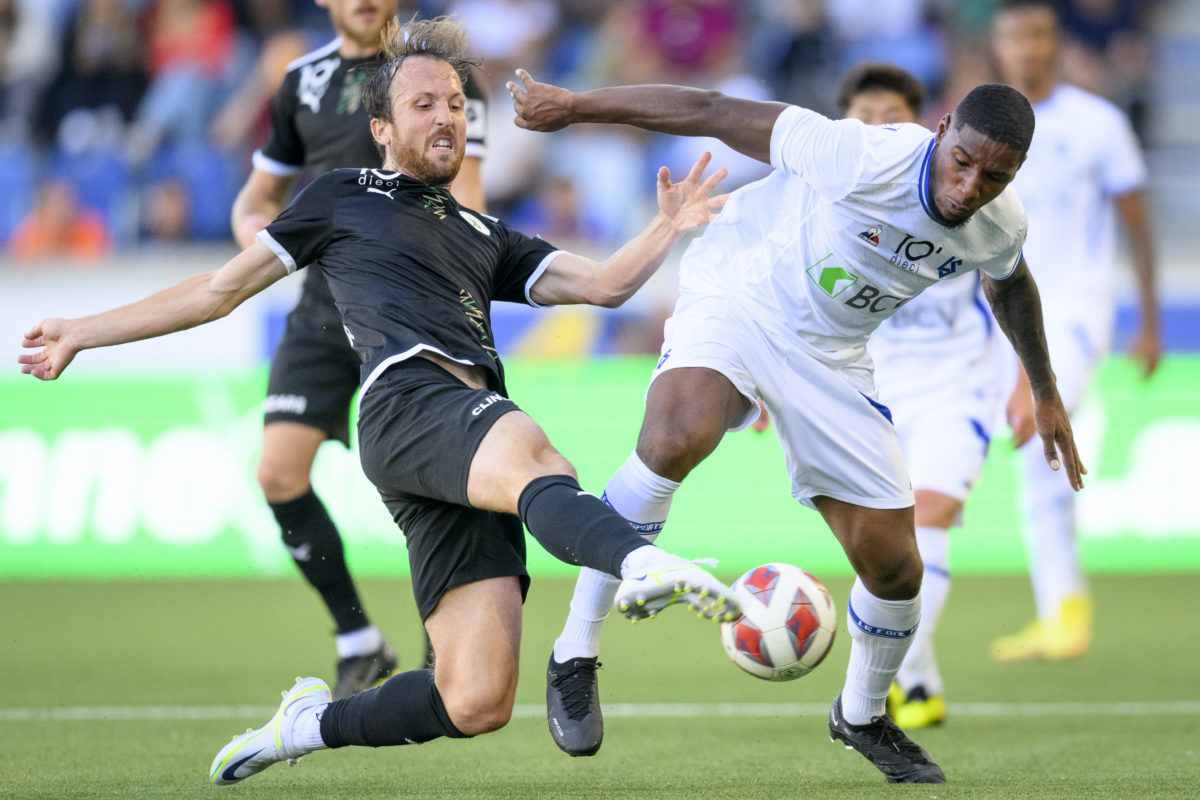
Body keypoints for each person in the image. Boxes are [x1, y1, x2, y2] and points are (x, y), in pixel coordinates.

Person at [19, 15, 738, 786]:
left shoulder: (484, 232)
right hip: (407, 404)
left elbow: (602, 283)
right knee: (536, 455)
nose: (445, 116)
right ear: (382, 128)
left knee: (475, 698)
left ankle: (310, 725)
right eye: (424, 103)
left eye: (457, 104)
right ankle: (641, 563)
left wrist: (666, 228)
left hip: (454, 445)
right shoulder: (340, 197)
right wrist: (82, 332)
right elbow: (216, 291)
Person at [509, 62, 1085, 784]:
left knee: (897, 566)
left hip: (834, 357)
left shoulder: (999, 222)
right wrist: (574, 103)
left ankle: (863, 713)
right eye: (962, 162)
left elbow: (1011, 283)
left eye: (993, 179)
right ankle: (575, 651)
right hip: (741, 294)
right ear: (941, 133)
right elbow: (710, 105)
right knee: (674, 439)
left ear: (1014, 175)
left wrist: (1045, 389)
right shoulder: (860, 155)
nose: (969, 188)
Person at [231, 0, 488, 698]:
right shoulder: (300, 82)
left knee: (445, 478)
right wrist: (259, 235)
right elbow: (257, 197)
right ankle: (358, 638)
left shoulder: (438, 79)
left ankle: (452, 636)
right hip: (322, 310)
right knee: (277, 475)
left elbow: (469, 201)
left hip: (413, 312)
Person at [987, 0, 1159, 663]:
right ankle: (1061, 610)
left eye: (1038, 34)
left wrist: (1147, 323)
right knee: (1021, 453)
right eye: (1015, 36)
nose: (1028, 47)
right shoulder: (982, 124)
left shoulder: (1098, 124)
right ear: (998, 48)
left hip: (1079, 312)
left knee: (1038, 441)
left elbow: (1138, 224)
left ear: (1055, 43)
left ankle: (1065, 611)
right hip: (1001, 315)